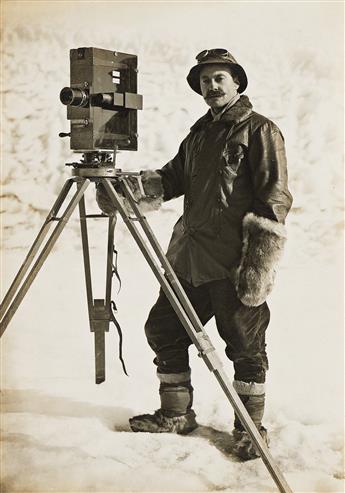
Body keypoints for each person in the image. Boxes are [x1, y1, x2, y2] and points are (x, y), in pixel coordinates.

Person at [96, 48, 293, 460]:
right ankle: (176, 415)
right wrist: (123, 188)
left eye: (219, 77)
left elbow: (274, 197)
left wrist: (256, 264)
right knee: (164, 330)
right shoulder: (199, 134)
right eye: (205, 80)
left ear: (237, 82)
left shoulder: (260, 131)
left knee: (245, 345)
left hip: (233, 263)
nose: (212, 86)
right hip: (188, 258)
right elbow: (171, 180)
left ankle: (249, 428)